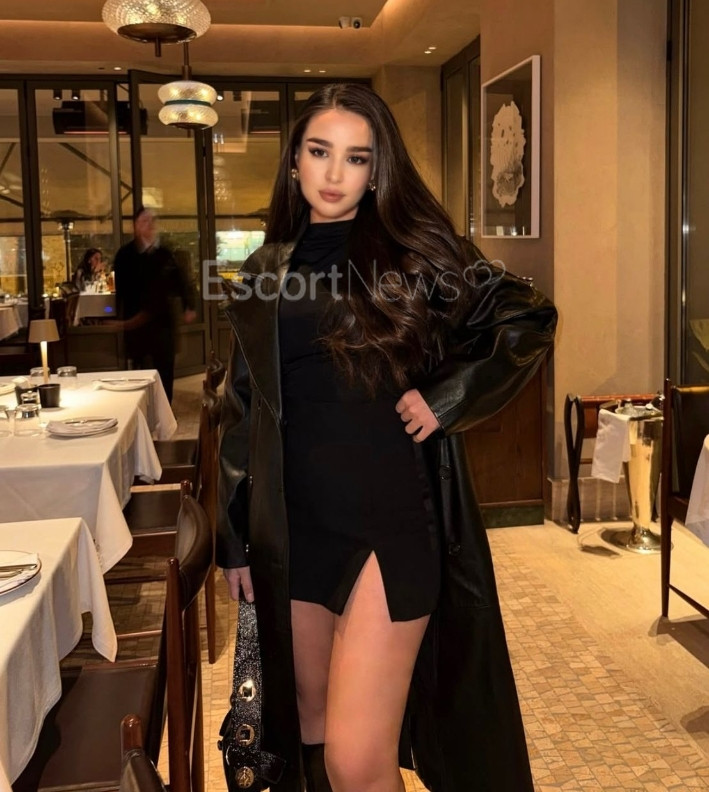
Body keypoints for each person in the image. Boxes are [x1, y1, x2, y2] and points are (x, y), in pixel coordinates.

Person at [216, 83, 557, 792]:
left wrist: (447, 396)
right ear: (294, 161)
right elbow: (243, 407)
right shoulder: (261, 273)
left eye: (356, 157)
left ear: (377, 171)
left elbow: (526, 315)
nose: (334, 173)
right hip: (293, 529)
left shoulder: (411, 255)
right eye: (320, 152)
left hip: (389, 522)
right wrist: (235, 536)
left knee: (356, 760)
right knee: (308, 728)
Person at [113, 207, 196, 402]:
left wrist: (188, 306)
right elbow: (121, 291)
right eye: (144, 221)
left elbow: (181, 282)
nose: (149, 225)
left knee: (165, 370)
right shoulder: (125, 255)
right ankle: (142, 409)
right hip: (137, 324)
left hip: (163, 324)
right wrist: (120, 319)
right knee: (140, 374)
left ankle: (165, 410)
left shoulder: (165, 254)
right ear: (136, 226)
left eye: (152, 221)